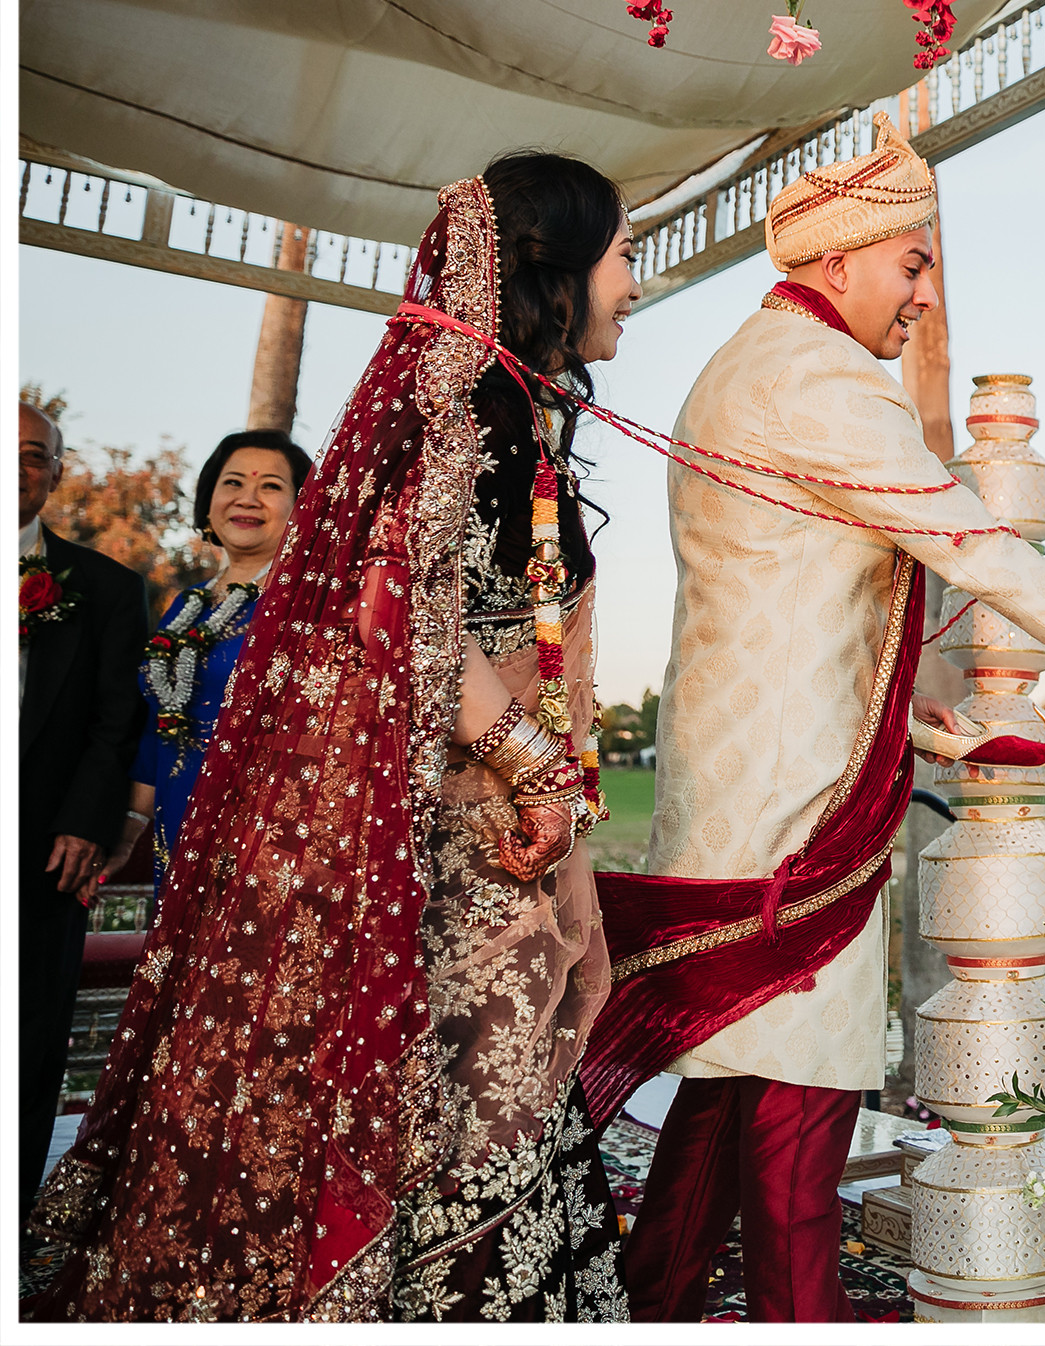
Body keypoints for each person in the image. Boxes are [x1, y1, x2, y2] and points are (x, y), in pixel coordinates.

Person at [588, 111, 1045, 1324]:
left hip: (743, 787)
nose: (921, 294)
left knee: (716, 1108)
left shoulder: (741, 364)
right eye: (911, 263)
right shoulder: (818, 381)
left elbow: (795, 584)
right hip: (796, 818)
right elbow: (982, 549)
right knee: (799, 1143)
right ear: (837, 261)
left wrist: (905, 710)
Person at [32, 155, 643, 1321]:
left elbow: (531, 660)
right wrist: (528, 772)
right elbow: (404, 607)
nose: (635, 284)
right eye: (624, 254)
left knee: (507, 1140)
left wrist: (572, 863)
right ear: (557, 273)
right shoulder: (466, 416)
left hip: (500, 852)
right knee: (461, 1147)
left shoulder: (521, 422)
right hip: (442, 873)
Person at [17, 400, 149, 1209]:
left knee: (27, 1043)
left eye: (34, 455)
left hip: (41, 850)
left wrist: (86, 822)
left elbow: (118, 717)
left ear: (56, 474)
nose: (17, 468)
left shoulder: (101, 588)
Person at [90, 429, 313, 897]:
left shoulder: (303, 607)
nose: (247, 498)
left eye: (270, 486)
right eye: (232, 483)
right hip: (177, 821)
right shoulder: (187, 606)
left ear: (303, 506)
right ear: (209, 500)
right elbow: (159, 724)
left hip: (262, 829)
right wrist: (131, 825)